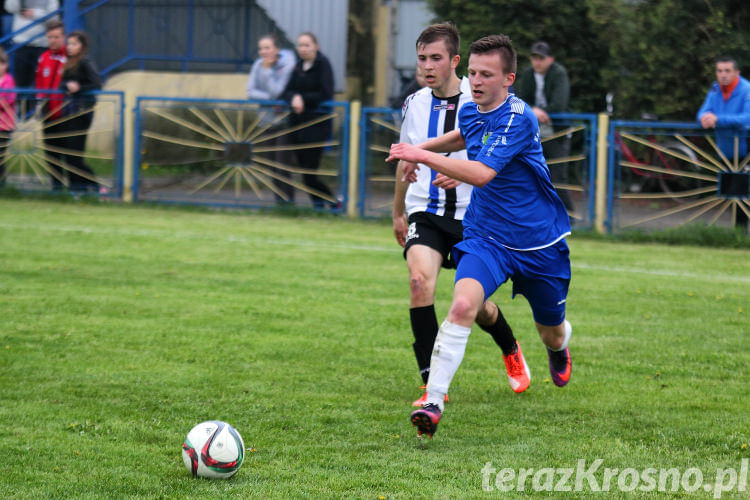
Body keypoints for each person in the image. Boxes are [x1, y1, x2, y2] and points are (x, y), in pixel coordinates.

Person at [388, 34, 573, 438]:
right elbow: (463, 139)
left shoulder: (518, 117)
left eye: (486, 74)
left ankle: (558, 347)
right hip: (487, 236)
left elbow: (483, 173)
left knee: (551, 328)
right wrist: (416, 147)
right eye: (472, 72)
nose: (475, 81)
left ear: (509, 78)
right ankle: (433, 400)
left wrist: (420, 154)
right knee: (461, 304)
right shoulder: (473, 109)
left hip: (538, 244)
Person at [393, 23, 529, 408]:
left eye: (435, 58)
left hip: (475, 217)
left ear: (455, 60)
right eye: (421, 58)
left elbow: (497, 152)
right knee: (420, 282)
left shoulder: (484, 94)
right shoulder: (414, 103)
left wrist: (459, 170)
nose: (427, 66)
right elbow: (407, 158)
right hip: (426, 211)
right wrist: (397, 212)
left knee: (474, 305)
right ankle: (431, 383)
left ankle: (509, 346)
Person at [515, 41, 574, 214]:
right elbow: (520, 100)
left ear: (550, 59)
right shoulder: (527, 74)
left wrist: (539, 111)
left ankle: (568, 215)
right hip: (533, 132)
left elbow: (559, 104)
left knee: (557, 176)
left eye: (541, 58)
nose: (537, 62)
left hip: (557, 132)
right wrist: (533, 111)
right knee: (529, 173)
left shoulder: (559, 73)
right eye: (534, 58)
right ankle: (536, 215)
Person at [281, 32, 337, 210]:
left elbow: (325, 92)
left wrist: (302, 99)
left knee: (309, 172)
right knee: (304, 171)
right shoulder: (298, 66)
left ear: (316, 46)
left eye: (307, 45)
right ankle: (320, 205)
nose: (303, 49)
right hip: (297, 125)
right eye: (300, 45)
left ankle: (331, 202)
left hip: (316, 125)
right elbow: (287, 90)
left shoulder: (323, 64)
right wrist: (294, 97)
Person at [697, 56, 750, 232]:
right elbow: (703, 112)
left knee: (742, 193)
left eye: (727, 71)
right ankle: (735, 234)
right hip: (725, 149)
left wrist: (719, 119)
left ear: (737, 73)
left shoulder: (746, 89)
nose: (723, 75)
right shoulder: (714, 90)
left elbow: (747, 118)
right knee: (731, 193)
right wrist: (704, 119)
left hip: (744, 147)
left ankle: (740, 233)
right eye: (719, 71)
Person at [246, 33, 296, 204]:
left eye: (267, 48)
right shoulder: (257, 65)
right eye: (261, 48)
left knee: (282, 165)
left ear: (276, 49)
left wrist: (267, 72)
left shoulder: (287, 64)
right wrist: (270, 99)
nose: (263, 52)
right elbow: (250, 92)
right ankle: (279, 203)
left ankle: (289, 202)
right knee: (271, 166)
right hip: (265, 121)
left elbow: (279, 90)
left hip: (284, 123)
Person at [56, 30, 102, 192]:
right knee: (69, 154)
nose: (69, 47)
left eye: (74, 44)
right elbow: (61, 83)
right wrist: (67, 86)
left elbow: (96, 84)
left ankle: (95, 186)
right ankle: (77, 189)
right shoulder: (68, 63)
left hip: (82, 113)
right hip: (69, 112)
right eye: (68, 43)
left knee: (75, 156)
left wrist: (79, 88)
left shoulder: (85, 61)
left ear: (82, 46)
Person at [34, 19, 66, 190]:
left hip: (65, 114)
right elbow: (39, 83)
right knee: (50, 153)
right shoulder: (44, 58)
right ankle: (57, 188)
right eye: (49, 37)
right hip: (48, 114)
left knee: (67, 153)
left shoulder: (69, 57)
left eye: (56, 37)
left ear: (63, 36)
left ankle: (76, 189)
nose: (52, 40)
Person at [4, 0, 59, 88]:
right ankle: (21, 101)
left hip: (42, 45)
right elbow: (9, 8)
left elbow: (54, 17)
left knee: (41, 81)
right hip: (21, 44)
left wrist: (35, 14)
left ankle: (38, 102)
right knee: (20, 82)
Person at [0, 46, 15, 186]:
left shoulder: (9, 80)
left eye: (2, 63)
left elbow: (7, 100)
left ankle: (2, 184)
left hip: (4, 126)